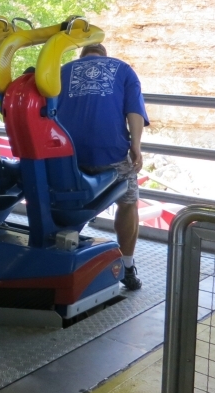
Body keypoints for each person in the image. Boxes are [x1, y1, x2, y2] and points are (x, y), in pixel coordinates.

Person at [56, 42, 149, 290]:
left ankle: (61, 257)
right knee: (128, 203)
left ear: (82, 57)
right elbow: (134, 111)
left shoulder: (63, 71)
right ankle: (127, 267)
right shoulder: (123, 69)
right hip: (111, 154)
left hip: (68, 154)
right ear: (104, 56)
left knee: (69, 202)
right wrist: (136, 146)